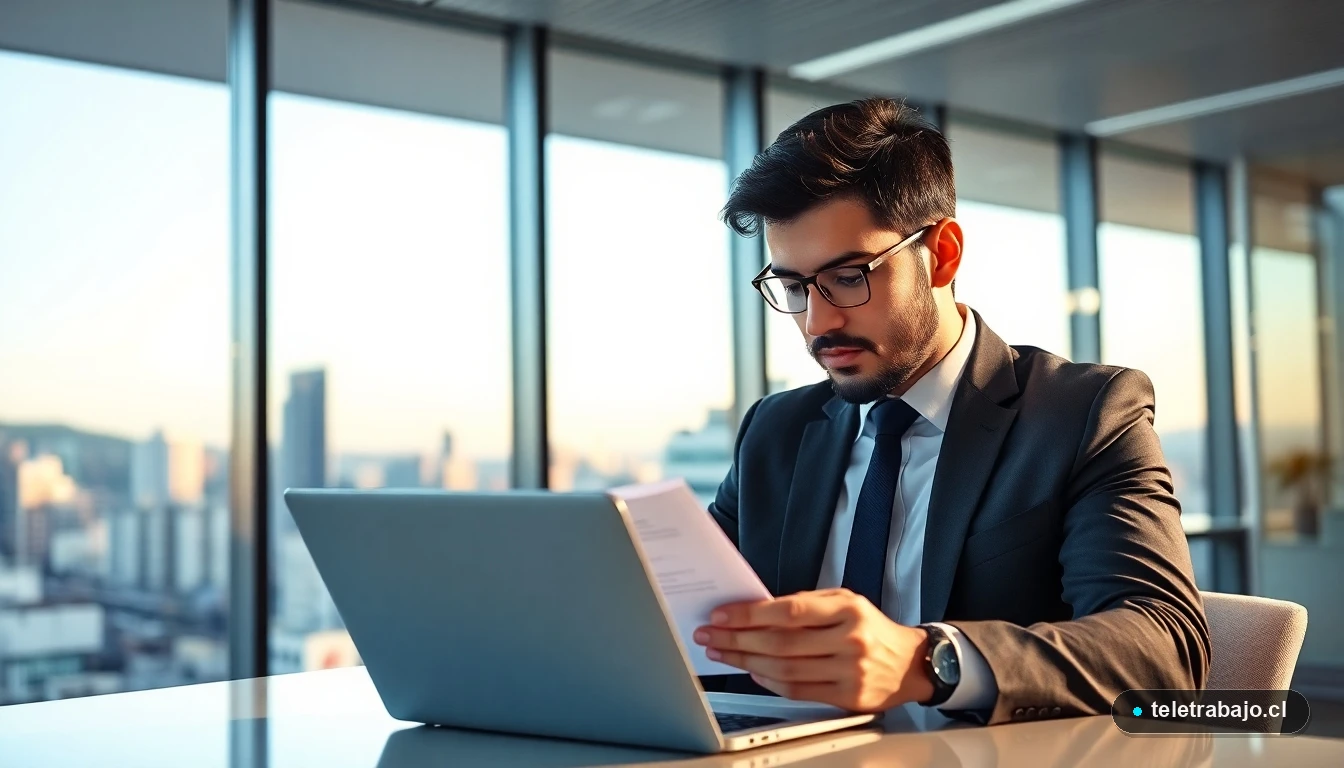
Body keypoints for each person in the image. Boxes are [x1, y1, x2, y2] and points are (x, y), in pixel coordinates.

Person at [692, 97, 1209, 725]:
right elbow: (687, 616)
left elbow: (1166, 649)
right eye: (796, 288)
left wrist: (928, 660)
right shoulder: (775, 431)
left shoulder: (1083, 415)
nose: (817, 322)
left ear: (942, 254)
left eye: (850, 276)